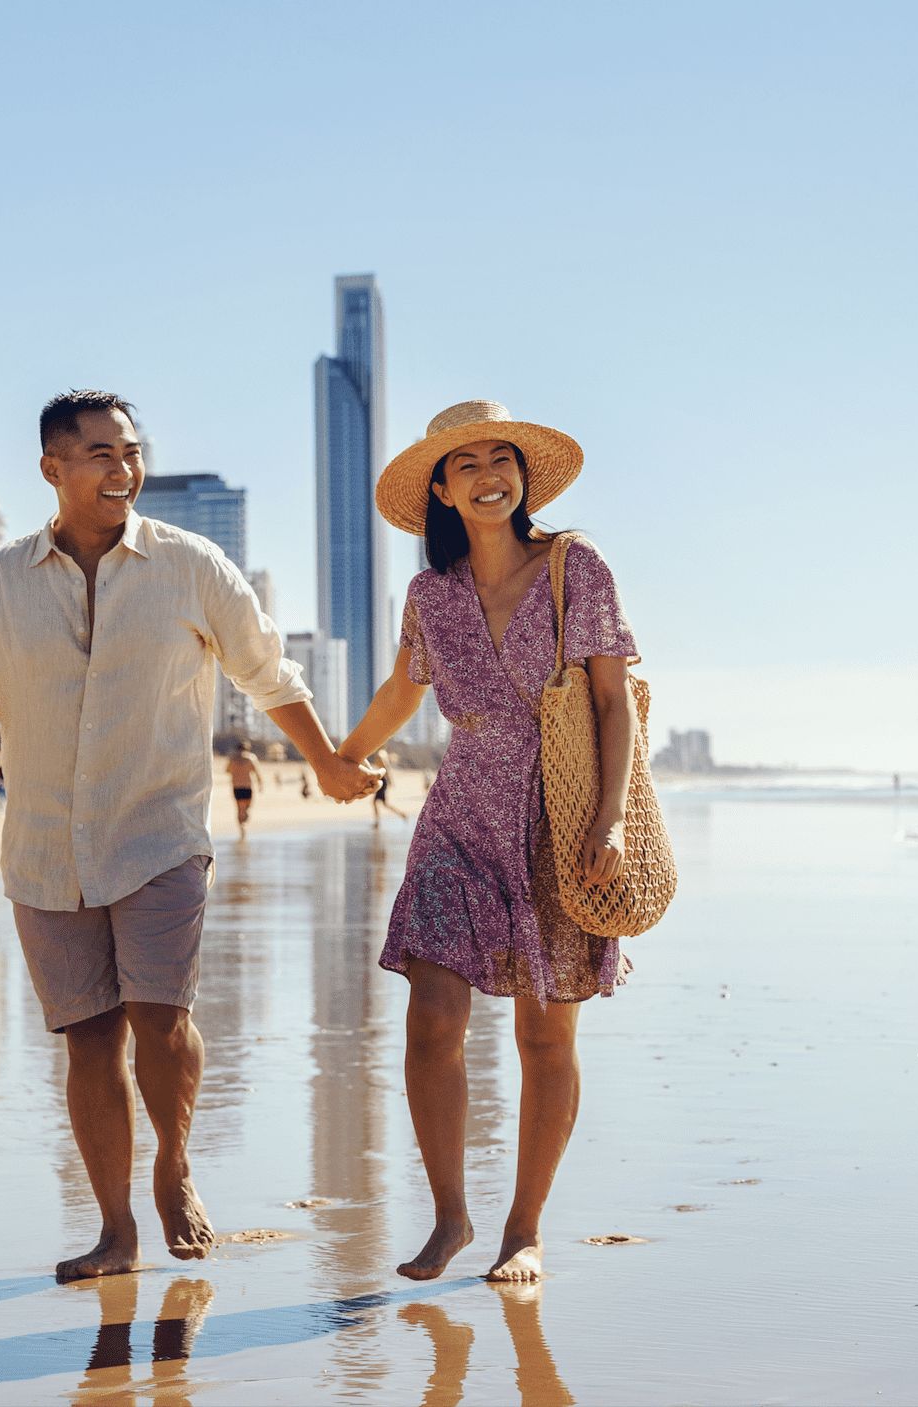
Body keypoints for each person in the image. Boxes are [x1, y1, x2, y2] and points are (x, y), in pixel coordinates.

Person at [0, 389, 380, 1282]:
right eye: (98, 453)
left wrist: (323, 760)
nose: (122, 468)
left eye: (131, 451)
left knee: (161, 1018)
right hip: (45, 847)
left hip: (161, 832)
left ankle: (175, 1160)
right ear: (52, 468)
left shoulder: (191, 564)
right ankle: (115, 1229)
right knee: (90, 1041)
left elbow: (266, 670)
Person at [335, 401, 638, 1284]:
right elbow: (403, 686)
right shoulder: (432, 593)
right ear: (440, 487)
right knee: (431, 1017)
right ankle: (450, 1214)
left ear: (524, 474)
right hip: (460, 815)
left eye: (500, 456)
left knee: (545, 1037)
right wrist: (344, 754)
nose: (486, 472)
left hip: (559, 813)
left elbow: (613, 702)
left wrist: (608, 818)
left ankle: (524, 1227)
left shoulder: (575, 567)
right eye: (463, 462)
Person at [225, 740, 259, 831]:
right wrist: (260, 784)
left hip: (236, 786)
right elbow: (257, 772)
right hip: (247, 786)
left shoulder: (232, 759)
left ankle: (241, 827)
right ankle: (244, 821)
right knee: (247, 807)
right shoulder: (251, 758)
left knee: (239, 808)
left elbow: (227, 771)